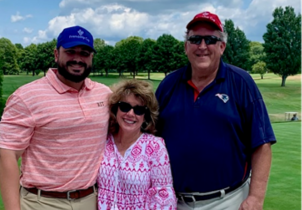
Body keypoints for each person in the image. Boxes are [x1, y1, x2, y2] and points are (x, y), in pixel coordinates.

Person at [155, 11, 276, 210]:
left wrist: (256, 198)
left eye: (211, 39)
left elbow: (262, 144)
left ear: (222, 46)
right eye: (195, 39)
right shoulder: (169, 85)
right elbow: (149, 138)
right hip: (174, 202)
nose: (202, 46)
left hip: (228, 201)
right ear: (186, 47)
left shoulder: (241, 83)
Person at [0, 25, 111, 210]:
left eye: (84, 53)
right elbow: (7, 155)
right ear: (56, 54)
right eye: (70, 51)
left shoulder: (104, 94)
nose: (77, 58)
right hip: (43, 202)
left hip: (92, 200)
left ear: (91, 57)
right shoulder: (26, 97)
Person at [97, 80, 176, 210]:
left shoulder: (155, 146)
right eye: (125, 106)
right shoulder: (103, 140)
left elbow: (163, 196)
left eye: (139, 110)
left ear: (145, 116)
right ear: (115, 109)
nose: (130, 114)